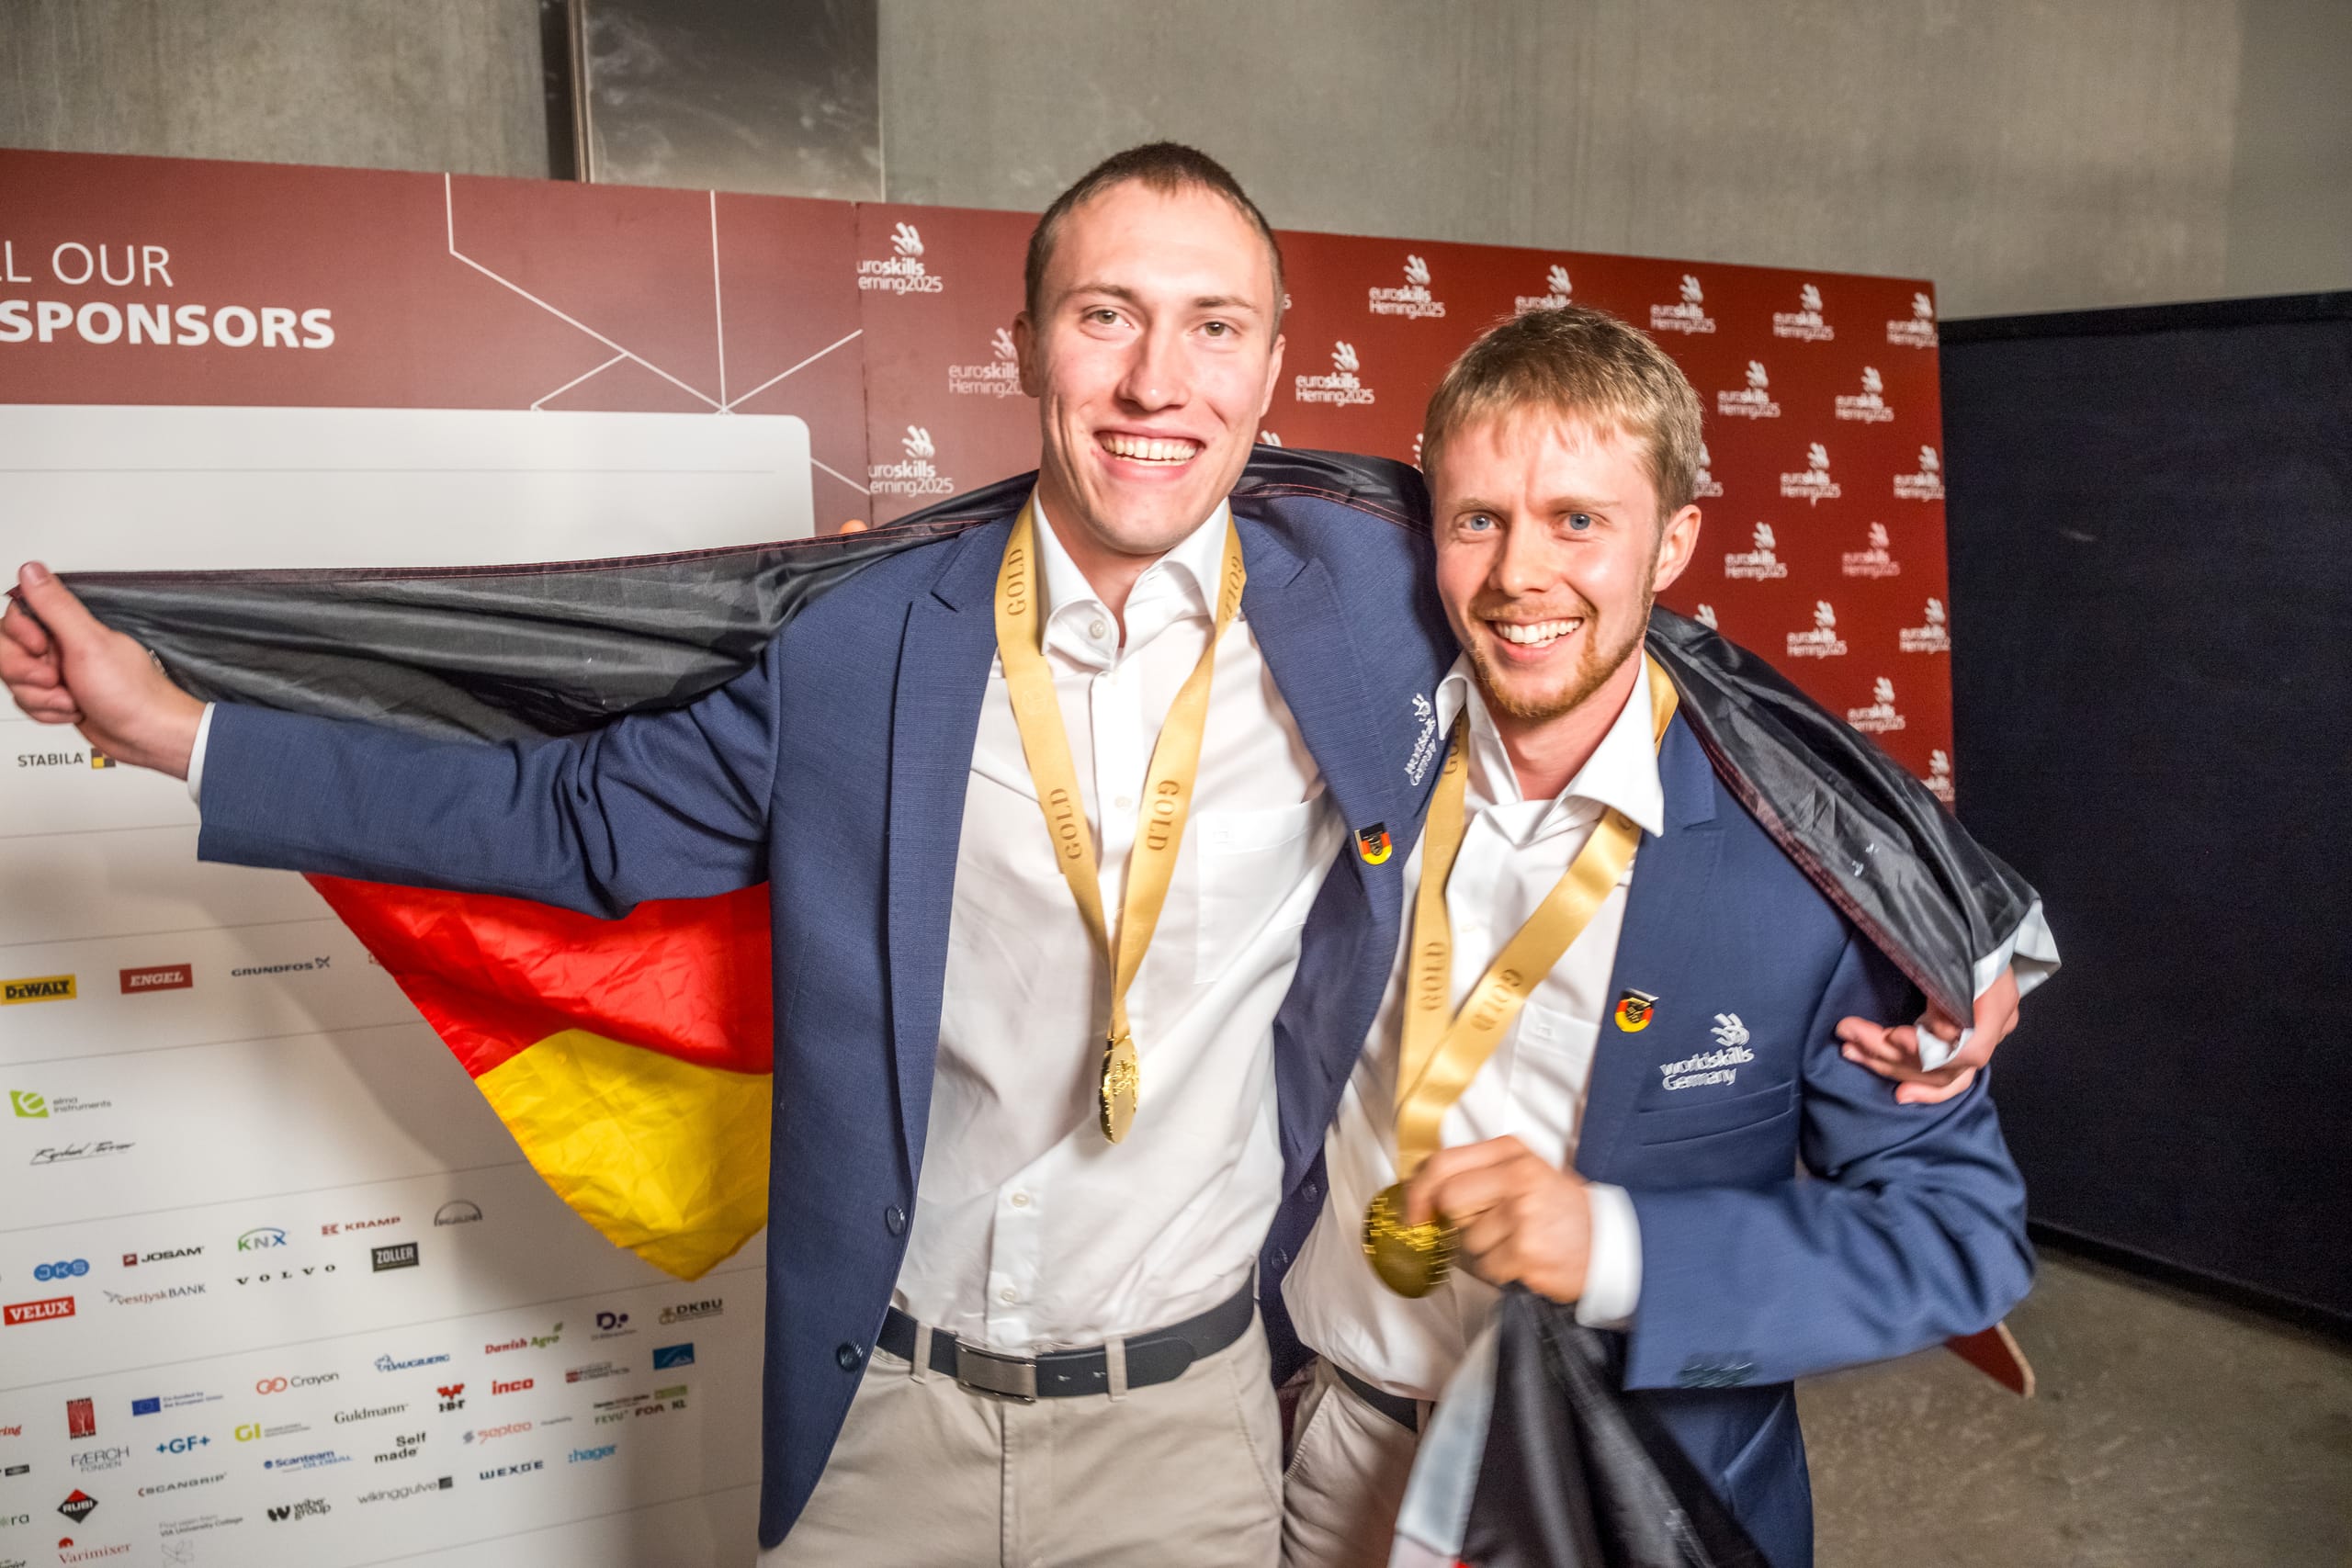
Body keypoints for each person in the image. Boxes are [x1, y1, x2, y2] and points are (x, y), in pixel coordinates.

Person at [2, 144, 2026, 1563]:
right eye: (1110, 320)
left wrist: (1976, 928)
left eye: (1211, 327)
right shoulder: (933, 638)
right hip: (1004, 1416)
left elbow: (1666, 671)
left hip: (1364, 1450)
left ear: (1270, 366)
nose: (1160, 378)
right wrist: (183, 729)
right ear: (1031, 341)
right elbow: (571, 821)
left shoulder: (1529, 702)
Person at [1274, 307, 2047, 1568]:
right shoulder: (1343, 764)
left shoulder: (1806, 868)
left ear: (1674, 540)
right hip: (1332, 1450)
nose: (1522, 574)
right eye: (1480, 519)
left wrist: (1620, 1248)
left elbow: (1956, 1238)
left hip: (1624, 1487)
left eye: (1580, 520)